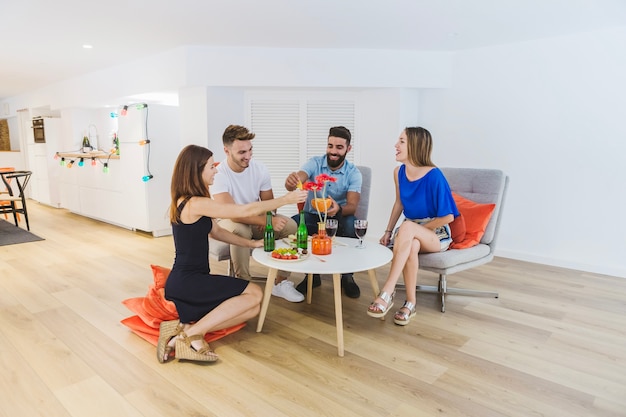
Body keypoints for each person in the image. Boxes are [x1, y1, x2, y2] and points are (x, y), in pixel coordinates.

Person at [158, 144, 307, 363]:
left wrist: (251, 243)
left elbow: (217, 231)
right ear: (196, 171)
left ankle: (187, 329)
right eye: (211, 167)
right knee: (255, 293)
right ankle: (188, 336)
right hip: (188, 282)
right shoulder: (195, 203)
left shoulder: (192, 202)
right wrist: (284, 200)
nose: (216, 171)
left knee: (251, 310)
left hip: (192, 280)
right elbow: (240, 211)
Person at [367, 127, 458, 326]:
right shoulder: (398, 172)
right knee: (412, 245)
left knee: (408, 228)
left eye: (401, 141)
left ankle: (387, 292)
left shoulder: (434, 176)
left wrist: (421, 229)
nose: (395, 145)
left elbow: (448, 216)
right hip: (410, 232)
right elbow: (399, 203)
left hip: (436, 232)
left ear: (415, 146)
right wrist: (388, 231)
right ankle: (410, 303)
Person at [210, 124, 304, 303]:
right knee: (240, 230)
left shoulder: (259, 168)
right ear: (227, 151)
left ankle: (281, 282)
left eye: (250, 150)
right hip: (227, 220)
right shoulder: (219, 174)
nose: (248, 156)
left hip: (255, 218)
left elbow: (270, 204)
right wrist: (262, 218)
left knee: (291, 226)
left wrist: (267, 218)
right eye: (241, 152)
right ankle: (242, 285)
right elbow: (232, 213)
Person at [284, 126, 362, 298]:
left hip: (339, 216)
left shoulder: (353, 173)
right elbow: (299, 180)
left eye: (339, 147)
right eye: (330, 146)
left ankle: (347, 277)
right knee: (295, 223)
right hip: (313, 216)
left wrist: (338, 208)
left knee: (351, 223)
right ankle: (312, 275)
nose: (333, 151)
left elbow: (352, 206)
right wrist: (292, 182)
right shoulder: (315, 163)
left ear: (348, 149)